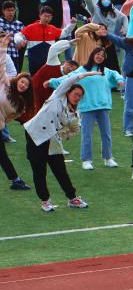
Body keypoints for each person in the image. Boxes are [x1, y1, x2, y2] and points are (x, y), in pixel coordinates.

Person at [24, 71, 101, 211]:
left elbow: (75, 129)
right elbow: (70, 79)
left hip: (53, 140)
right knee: (39, 170)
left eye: (80, 96)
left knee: (61, 170)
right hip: (35, 135)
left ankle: (72, 198)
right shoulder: (58, 96)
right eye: (75, 94)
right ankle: (45, 201)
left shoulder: (75, 113)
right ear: (68, 92)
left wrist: (63, 134)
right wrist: (89, 73)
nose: (77, 98)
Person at [51, 47, 124, 170]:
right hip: (87, 107)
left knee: (106, 134)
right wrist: (52, 82)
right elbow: (68, 78)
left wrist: (120, 79)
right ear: (93, 55)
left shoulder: (105, 71)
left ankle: (108, 158)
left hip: (103, 106)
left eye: (102, 55)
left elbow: (116, 74)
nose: (100, 57)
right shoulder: (82, 70)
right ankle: (86, 160)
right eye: (98, 54)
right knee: (87, 135)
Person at [0, 36, 31, 191]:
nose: (23, 85)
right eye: (22, 81)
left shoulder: (21, 105)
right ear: (17, 80)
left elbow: (11, 117)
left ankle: (16, 181)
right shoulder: (5, 83)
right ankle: (16, 180)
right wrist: (3, 47)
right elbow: (1, 65)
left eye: (26, 84)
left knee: (2, 155)